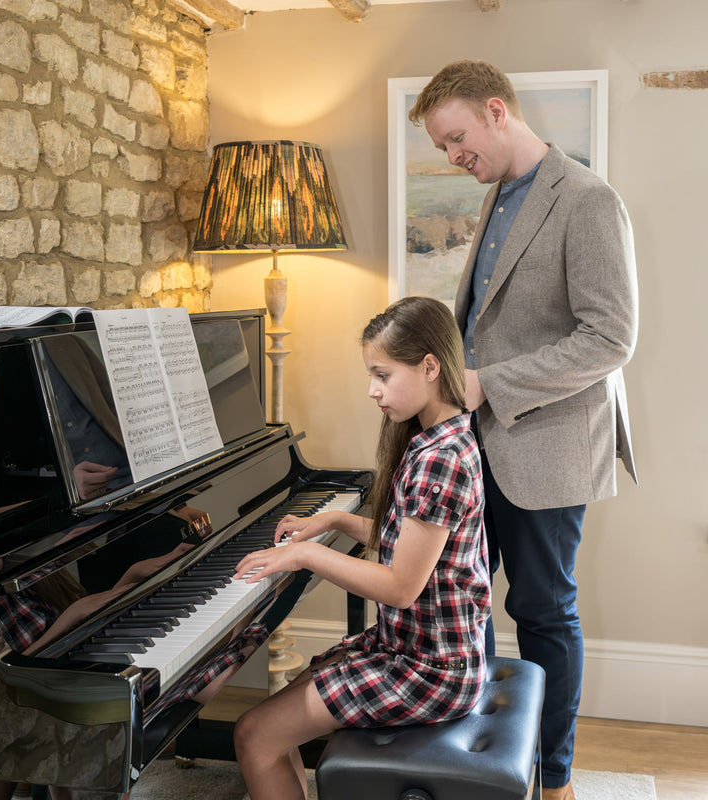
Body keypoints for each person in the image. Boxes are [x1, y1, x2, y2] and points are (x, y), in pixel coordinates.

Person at [408, 60, 639, 800]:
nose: (453, 157)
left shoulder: (589, 200)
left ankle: (556, 778)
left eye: (457, 139)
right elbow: (491, 320)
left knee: (542, 611)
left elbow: (611, 338)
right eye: (443, 147)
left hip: (547, 444)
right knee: (462, 599)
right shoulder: (500, 196)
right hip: (477, 442)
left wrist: (486, 384)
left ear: (497, 111)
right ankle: (481, 764)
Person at [231, 296, 491, 800]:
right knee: (277, 717)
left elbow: (399, 587)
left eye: (382, 375)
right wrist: (331, 520)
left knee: (254, 734)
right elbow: (409, 541)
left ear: (430, 367)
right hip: (421, 653)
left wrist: (305, 554)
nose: (372, 391)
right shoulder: (444, 438)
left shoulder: (440, 460)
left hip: (430, 671)